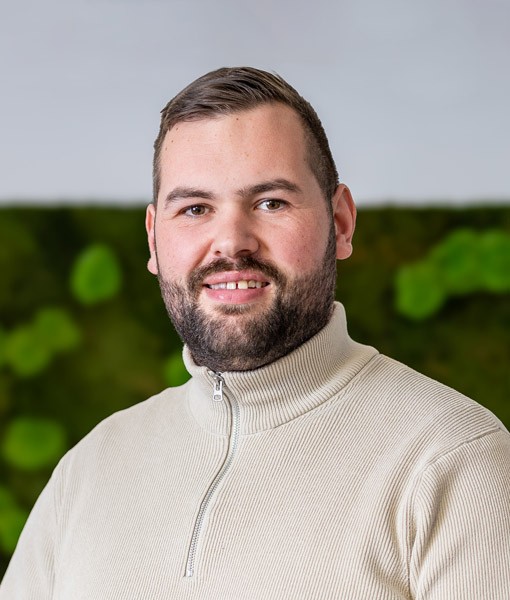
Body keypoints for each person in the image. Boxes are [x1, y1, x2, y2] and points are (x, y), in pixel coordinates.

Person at [1, 67, 509, 599]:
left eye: (271, 202)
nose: (231, 242)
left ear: (340, 223)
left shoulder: (453, 458)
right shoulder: (88, 471)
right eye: (195, 209)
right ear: (153, 240)